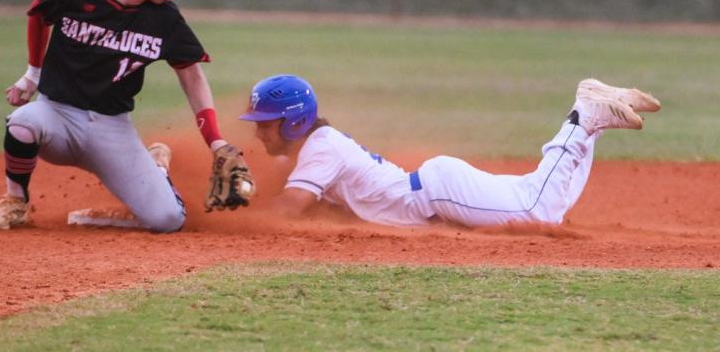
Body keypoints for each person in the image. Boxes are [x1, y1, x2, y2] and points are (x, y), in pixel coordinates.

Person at [0, 0, 252, 232]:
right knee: (22, 123)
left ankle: (156, 168)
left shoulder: (164, 20)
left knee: (168, 220)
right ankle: (16, 203)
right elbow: (39, 15)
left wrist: (215, 142)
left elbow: (192, 77)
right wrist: (32, 74)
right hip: (57, 117)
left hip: (111, 130)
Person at [238, 74, 660, 228]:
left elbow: (290, 210)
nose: (258, 134)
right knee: (550, 198)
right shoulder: (318, 146)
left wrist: (238, 213)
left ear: (293, 120)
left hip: (437, 193)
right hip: (436, 191)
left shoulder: (319, 148)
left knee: (540, 212)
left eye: (266, 123)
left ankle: (584, 114)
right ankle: (593, 116)